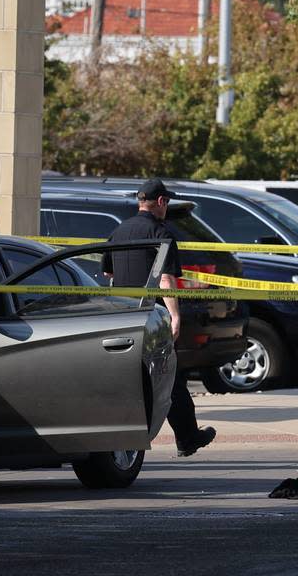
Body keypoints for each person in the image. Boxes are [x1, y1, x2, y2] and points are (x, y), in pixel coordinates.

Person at [101, 178, 216, 458]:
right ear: (161, 202)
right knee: (169, 377)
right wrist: (175, 317)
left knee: (131, 380)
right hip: (151, 316)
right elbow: (165, 279)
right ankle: (186, 437)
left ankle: (179, 436)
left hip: (122, 315)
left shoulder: (119, 231)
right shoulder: (160, 233)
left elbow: (109, 275)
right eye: (168, 202)